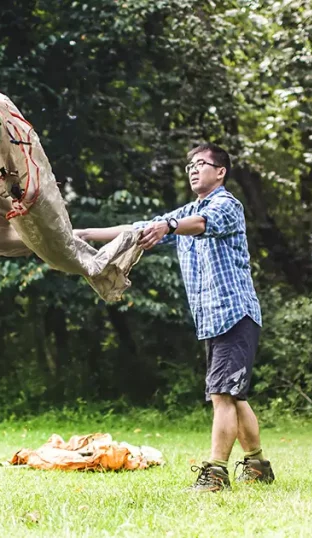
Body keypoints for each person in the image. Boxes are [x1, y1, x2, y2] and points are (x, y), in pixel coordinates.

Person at [74, 142, 274, 492]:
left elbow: (199, 224)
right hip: (213, 318)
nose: (194, 169)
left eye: (201, 164)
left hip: (234, 313)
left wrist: (169, 224)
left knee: (222, 395)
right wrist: (87, 234)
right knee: (233, 395)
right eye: (190, 166)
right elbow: (138, 228)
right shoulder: (185, 213)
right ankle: (257, 465)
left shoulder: (226, 205)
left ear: (220, 171)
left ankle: (215, 472)